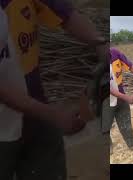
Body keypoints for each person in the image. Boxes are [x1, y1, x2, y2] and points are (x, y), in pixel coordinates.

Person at [0, 0, 106, 180]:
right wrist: (51, 115)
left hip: (35, 107)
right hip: (5, 121)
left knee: (47, 167)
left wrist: (102, 45)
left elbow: (65, 14)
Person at [107, 47, 133, 155]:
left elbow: (130, 65)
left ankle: (132, 144)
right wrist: (126, 97)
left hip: (120, 92)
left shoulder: (115, 53)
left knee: (125, 121)